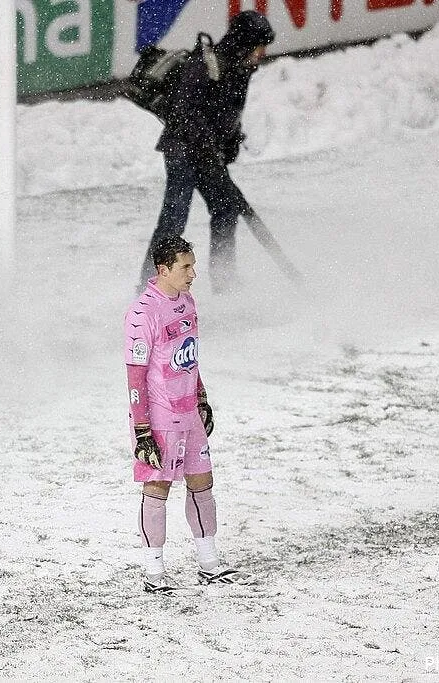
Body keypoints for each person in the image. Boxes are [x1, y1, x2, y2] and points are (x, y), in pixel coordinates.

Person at [124, 235, 244, 593]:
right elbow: (135, 376)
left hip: (189, 413)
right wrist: (143, 431)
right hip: (160, 417)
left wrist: (201, 397)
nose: (193, 274)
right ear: (164, 269)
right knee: (157, 489)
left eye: (193, 265)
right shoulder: (142, 313)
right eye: (186, 267)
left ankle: (209, 564)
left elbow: (190, 356)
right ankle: (154, 574)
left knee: (203, 484)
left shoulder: (187, 302)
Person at [138, 11, 276, 294]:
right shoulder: (206, 63)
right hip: (182, 149)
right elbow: (185, 110)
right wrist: (207, 145)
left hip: (207, 154)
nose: (262, 53)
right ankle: (149, 287)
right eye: (259, 46)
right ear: (245, 42)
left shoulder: (239, 68)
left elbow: (224, 112)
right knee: (174, 218)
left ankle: (224, 278)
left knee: (226, 208)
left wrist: (229, 142)